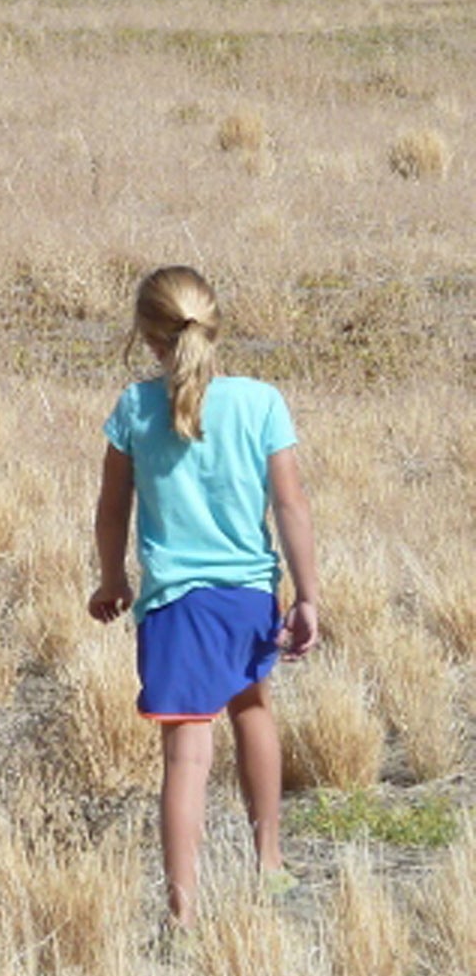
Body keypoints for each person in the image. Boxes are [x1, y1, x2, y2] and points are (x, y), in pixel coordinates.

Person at [87, 265, 320, 927]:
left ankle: (182, 914)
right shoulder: (261, 402)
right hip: (249, 595)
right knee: (253, 710)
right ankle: (269, 862)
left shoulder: (134, 408)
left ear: (147, 337)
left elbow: (112, 511)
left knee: (187, 753)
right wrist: (307, 595)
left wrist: (112, 579)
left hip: (174, 604)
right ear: (215, 323)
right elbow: (292, 504)